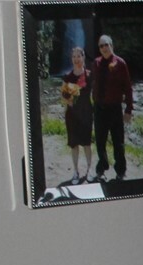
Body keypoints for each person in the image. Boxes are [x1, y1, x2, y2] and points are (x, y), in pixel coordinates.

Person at [90, 34, 133, 183]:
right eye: (101, 46)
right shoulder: (95, 63)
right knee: (100, 141)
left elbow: (127, 87)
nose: (104, 48)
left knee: (118, 142)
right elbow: (92, 83)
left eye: (106, 45)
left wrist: (128, 109)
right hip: (99, 108)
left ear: (112, 46)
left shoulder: (120, 63)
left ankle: (121, 171)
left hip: (114, 108)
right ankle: (101, 169)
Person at [58, 46, 92, 185]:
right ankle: (76, 171)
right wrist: (69, 99)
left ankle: (89, 170)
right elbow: (63, 97)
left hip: (86, 114)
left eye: (79, 56)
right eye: (74, 57)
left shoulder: (89, 75)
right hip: (72, 115)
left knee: (87, 144)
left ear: (83, 58)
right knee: (74, 145)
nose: (76, 59)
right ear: (71, 59)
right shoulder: (68, 77)